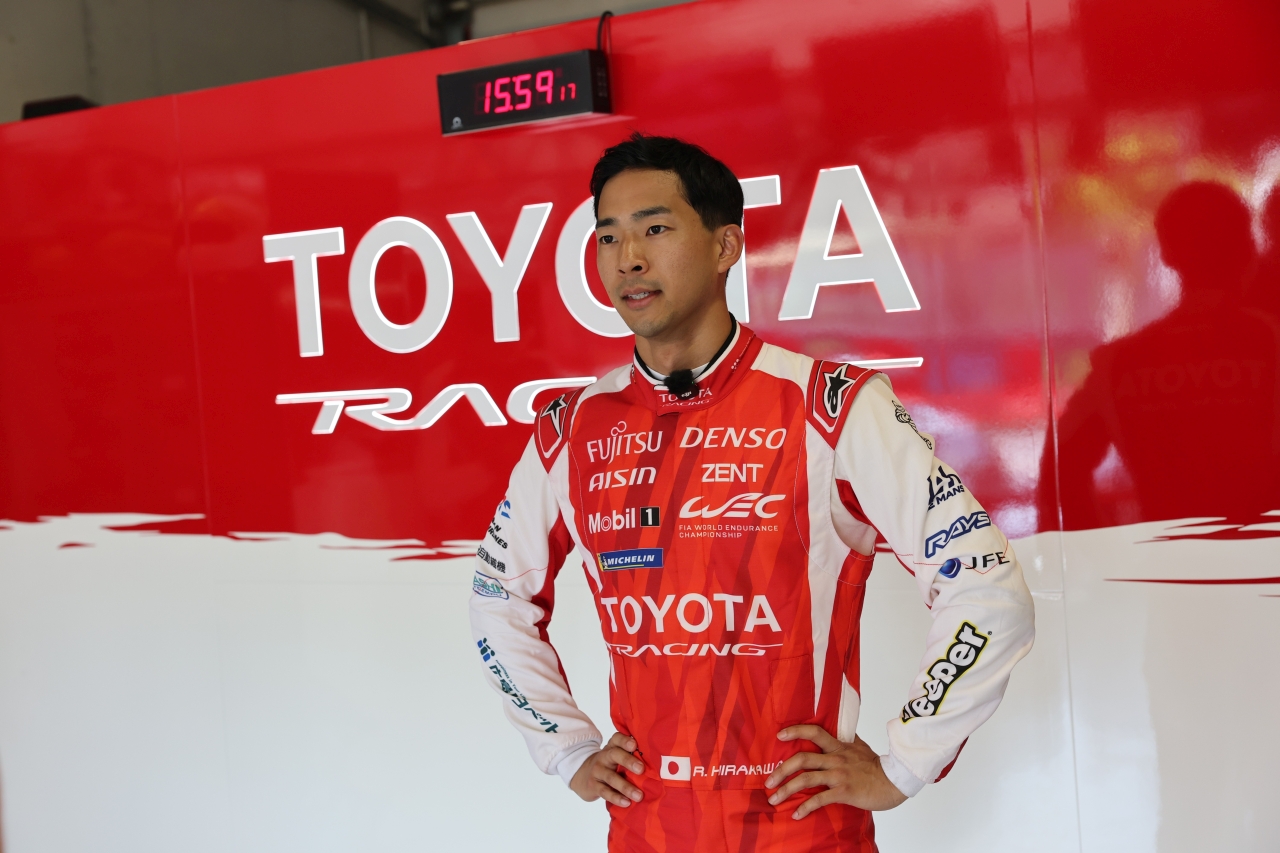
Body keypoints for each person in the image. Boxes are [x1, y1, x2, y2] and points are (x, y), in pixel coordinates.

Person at [469, 133, 1035, 852]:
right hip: (646, 832)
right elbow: (497, 597)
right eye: (608, 236)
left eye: (655, 229)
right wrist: (565, 746)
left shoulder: (833, 405)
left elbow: (986, 587)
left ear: (725, 245)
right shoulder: (571, 426)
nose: (627, 258)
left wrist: (903, 763)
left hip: (807, 836)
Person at [1038, 181, 1280, 530]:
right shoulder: (1270, 344)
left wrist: (1093, 553)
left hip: (1168, 562)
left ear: (1167, 255)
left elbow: (1060, 469)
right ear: (1248, 251)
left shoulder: (1119, 364)